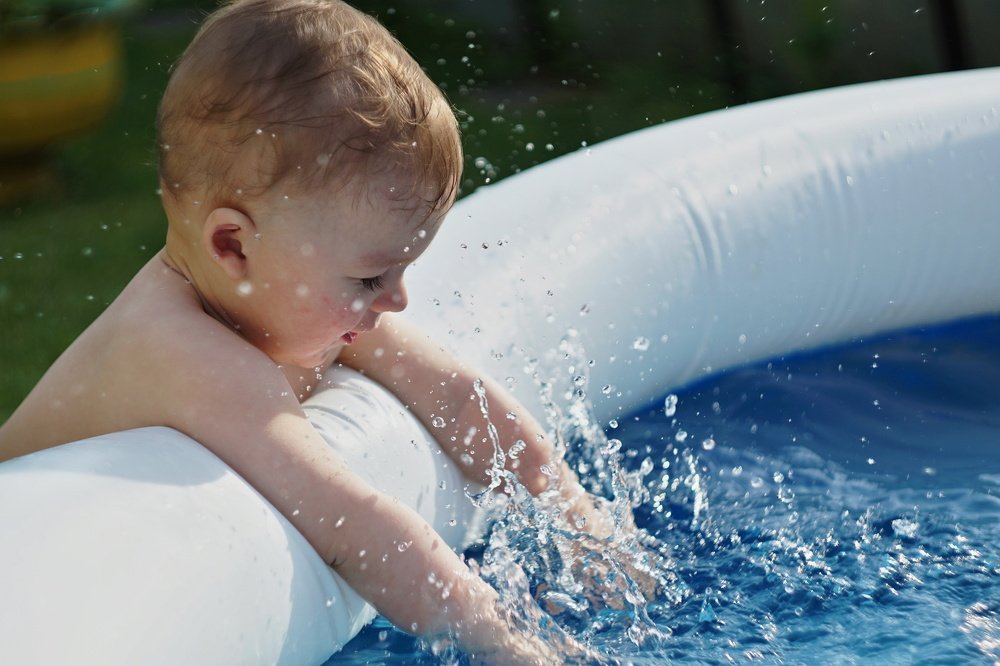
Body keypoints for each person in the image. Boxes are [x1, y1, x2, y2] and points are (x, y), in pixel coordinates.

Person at [0, 0, 651, 661]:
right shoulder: (181, 350)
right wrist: (504, 642)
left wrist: (577, 516)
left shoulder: (295, 295)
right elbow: (349, 524)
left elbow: (456, 396)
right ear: (233, 246)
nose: (397, 300)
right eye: (372, 279)